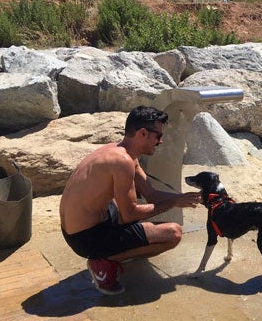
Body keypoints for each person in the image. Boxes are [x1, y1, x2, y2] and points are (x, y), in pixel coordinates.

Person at [59, 106, 201, 295]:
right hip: (85, 238)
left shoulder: (120, 150)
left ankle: (116, 250)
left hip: (78, 226)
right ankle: (103, 262)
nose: (161, 141)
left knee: (127, 199)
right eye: (158, 136)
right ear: (143, 133)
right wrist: (173, 203)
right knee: (172, 234)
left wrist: (182, 198)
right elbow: (130, 215)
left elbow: (151, 195)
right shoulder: (122, 162)